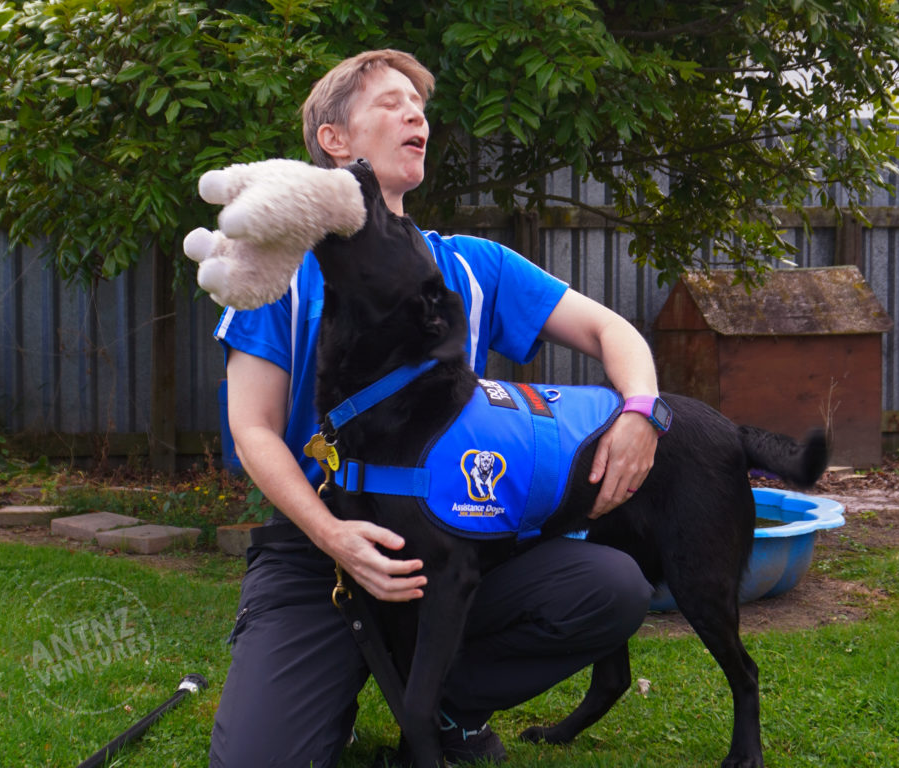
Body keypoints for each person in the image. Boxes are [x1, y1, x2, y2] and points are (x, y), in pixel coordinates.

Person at [209, 49, 660, 768]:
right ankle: (337, 686)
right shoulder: (282, 274)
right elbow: (251, 429)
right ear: (336, 142)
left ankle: (443, 705)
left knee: (609, 587)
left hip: (454, 543)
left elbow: (613, 332)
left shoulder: (473, 265)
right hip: (317, 550)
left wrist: (641, 412)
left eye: (419, 106)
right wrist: (334, 537)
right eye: (390, 102)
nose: (416, 114)